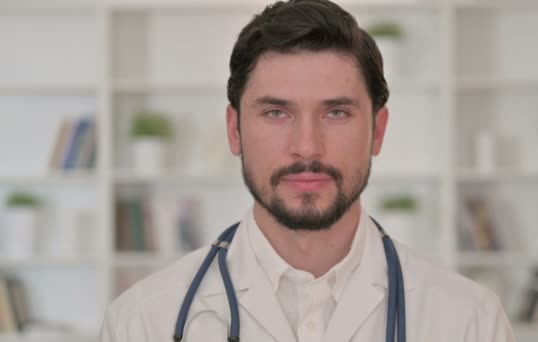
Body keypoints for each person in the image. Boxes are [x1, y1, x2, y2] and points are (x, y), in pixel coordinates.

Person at [100, 0, 516, 341]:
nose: (307, 147)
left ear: (378, 130)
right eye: (276, 112)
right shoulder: (143, 322)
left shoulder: (468, 322)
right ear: (235, 129)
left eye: (336, 112)